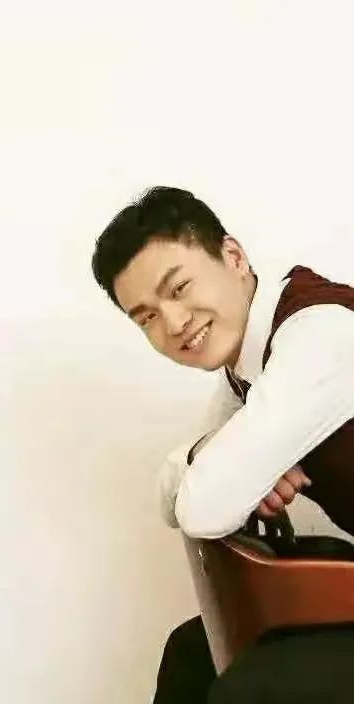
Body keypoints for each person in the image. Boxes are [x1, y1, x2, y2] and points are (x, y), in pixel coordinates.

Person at [91, 186, 354, 703]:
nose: (174, 323)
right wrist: (214, 453)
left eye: (179, 287)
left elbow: (203, 507)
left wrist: (234, 466)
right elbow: (172, 497)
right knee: (192, 652)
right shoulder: (246, 375)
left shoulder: (320, 336)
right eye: (146, 316)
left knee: (254, 686)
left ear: (233, 257)